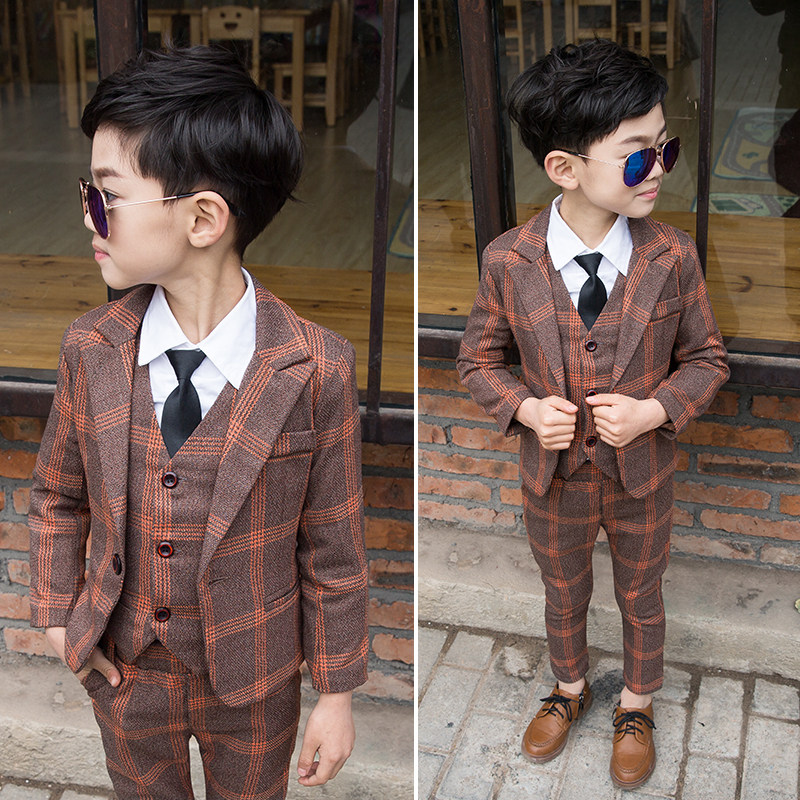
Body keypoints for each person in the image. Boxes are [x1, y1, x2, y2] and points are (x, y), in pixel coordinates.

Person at [28, 46, 368, 800]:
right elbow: (58, 495)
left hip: (256, 681)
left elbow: (333, 548)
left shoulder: (316, 366)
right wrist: (58, 617)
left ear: (204, 217)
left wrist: (337, 693)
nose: (89, 215)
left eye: (107, 197)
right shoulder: (91, 348)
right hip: (124, 669)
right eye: (89, 192)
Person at [457, 39, 729, 789]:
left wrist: (654, 411)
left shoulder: (673, 256)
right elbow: (476, 361)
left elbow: (708, 359)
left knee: (642, 592)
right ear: (564, 168)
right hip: (554, 479)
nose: (659, 168)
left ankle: (636, 702)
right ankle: (569, 686)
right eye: (638, 156)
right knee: (562, 588)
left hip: (642, 476)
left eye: (665, 147)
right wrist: (522, 408)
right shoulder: (508, 260)